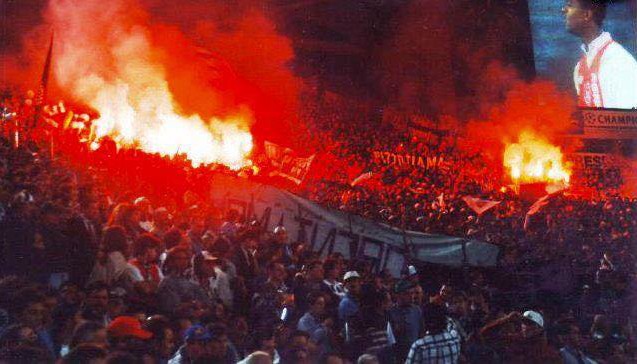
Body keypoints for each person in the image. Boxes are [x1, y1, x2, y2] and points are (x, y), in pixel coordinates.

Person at [563, 0, 637, 109]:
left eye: (570, 5)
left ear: (587, 15)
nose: (563, 10)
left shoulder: (619, 61)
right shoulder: (580, 68)